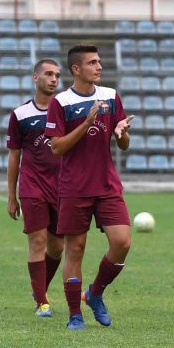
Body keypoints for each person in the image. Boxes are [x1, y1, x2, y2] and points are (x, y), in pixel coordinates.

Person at [46, 45, 134, 331]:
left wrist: (121, 134)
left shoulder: (110, 96)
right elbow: (57, 147)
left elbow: (123, 143)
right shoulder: (61, 102)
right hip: (74, 187)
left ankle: (95, 293)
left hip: (107, 184)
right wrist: (86, 123)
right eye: (92, 63)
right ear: (76, 69)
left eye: (99, 61)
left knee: (122, 243)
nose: (99, 67)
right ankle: (75, 314)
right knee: (75, 248)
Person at [6, 59, 63, 318]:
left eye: (57, 75)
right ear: (35, 77)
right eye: (48, 74)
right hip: (32, 186)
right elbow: (14, 156)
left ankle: (39, 289)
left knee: (57, 247)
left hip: (62, 187)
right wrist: (11, 196)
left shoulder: (65, 110)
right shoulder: (20, 115)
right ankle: (42, 302)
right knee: (38, 241)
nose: (54, 79)